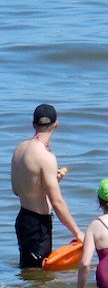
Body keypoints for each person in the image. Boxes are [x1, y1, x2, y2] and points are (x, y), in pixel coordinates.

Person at [12, 103, 81, 268]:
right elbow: (57, 202)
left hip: (23, 220)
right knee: (38, 276)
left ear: (34, 124)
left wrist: (51, 181)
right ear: (56, 124)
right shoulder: (46, 157)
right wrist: (77, 232)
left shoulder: (19, 149)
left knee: (30, 273)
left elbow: (17, 190)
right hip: (38, 226)